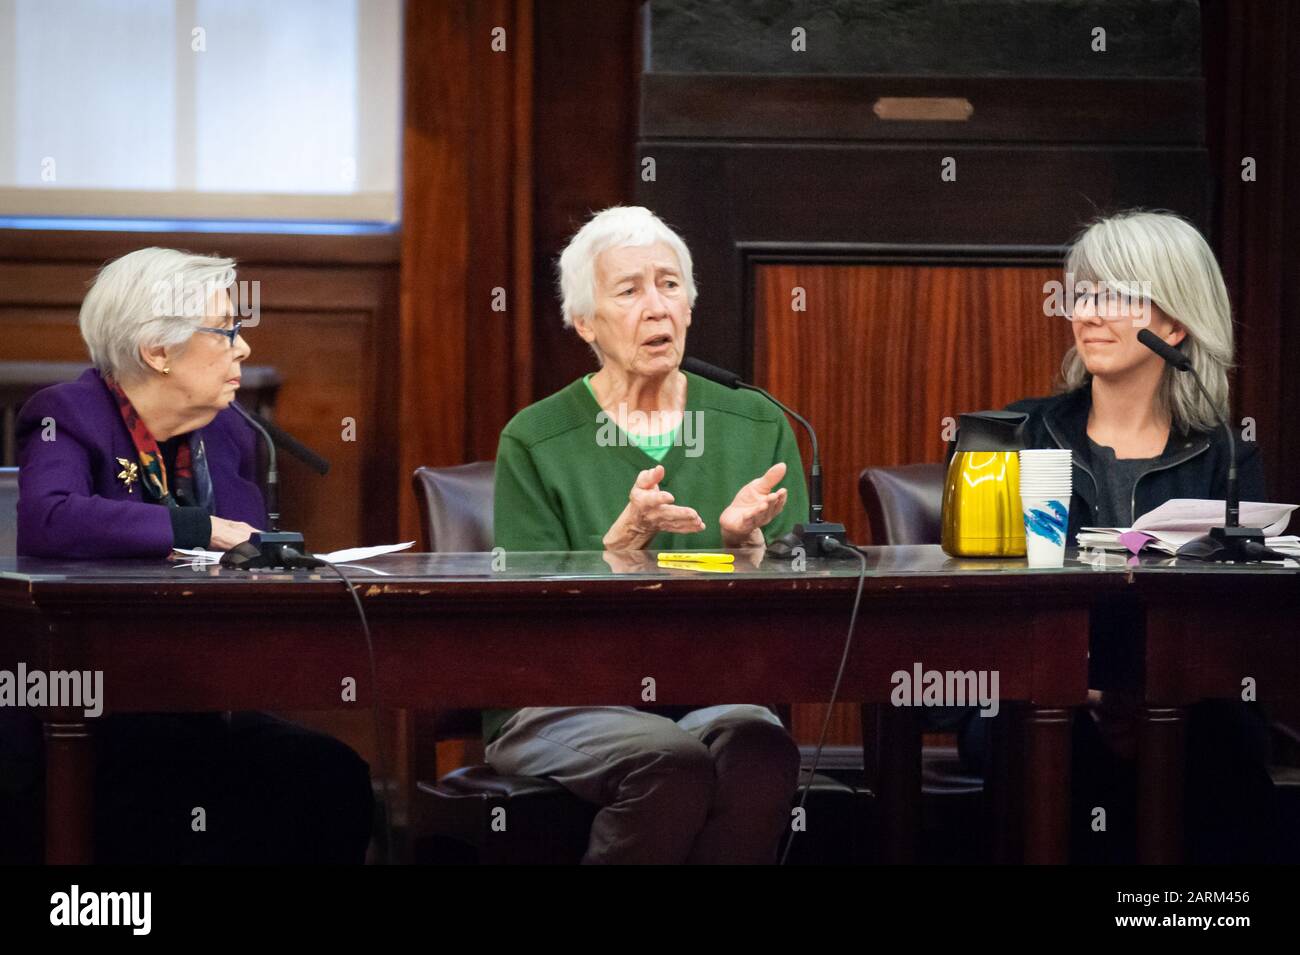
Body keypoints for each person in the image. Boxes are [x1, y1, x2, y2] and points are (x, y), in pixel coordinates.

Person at [10, 247, 374, 863]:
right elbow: (50, 518)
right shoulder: (66, 415)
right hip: (90, 700)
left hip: (201, 693)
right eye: (227, 330)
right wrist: (195, 527)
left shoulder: (229, 431)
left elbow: (244, 552)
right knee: (159, 794)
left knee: (330, 774)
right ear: (158, 350)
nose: (243, 348)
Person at [486, 206, 808, 863]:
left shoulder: (759, 423)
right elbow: (522, 618)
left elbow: (804, 596)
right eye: (629, 290)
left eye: (670, 285)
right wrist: (615, 553)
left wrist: (750, 553)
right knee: (669, 760)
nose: (656, 307)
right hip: (560, 703)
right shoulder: (534, 438)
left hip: (712, 694)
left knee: (759, 749)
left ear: (690, 306)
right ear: (585, 323)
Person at [963, 210, 1275, 862]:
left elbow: (1241, 617)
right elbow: (978, 596)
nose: (1090, 313)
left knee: (1223, 735)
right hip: (1040, 689)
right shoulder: (1015, 432)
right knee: (1042, 730)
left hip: (1184, 699)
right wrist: (1080, 686)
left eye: (1119, 294)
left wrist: (1153, 691)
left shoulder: (1224, 452)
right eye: (1084, 293)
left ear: (1175, 321)